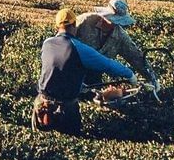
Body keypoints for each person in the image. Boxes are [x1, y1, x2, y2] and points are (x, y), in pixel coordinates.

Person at [34, 7, 138, 135]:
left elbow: (56, 67)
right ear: (74, 25)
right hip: (64, 109)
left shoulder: (47, 43)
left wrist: (77, 83)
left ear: (57, 25)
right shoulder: (79, 48)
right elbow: (108, 65)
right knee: (70, 144)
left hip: (41, 103)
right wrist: (130, 74)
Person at [74, 0, 152, 84]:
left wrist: (152, 78)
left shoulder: (120, 36)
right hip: (72, 71)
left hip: (94, 78)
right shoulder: (85, 21)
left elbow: (136, 57)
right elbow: (63, 38)